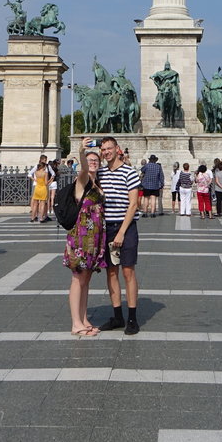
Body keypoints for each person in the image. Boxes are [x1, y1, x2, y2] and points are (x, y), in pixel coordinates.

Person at [93, 136, 141, 335]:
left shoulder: (130, 172)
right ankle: (117, 316)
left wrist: (121, 232)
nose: (106, 152)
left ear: (117, 149)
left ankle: (132, 318)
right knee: (111, 272)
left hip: (126, 228)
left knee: (127, 271)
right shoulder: (101, 173)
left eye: (109, 148)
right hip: (107, 228)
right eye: (103, 149)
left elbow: (133, 204)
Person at [65, 149, 107, 336]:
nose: (93, 162)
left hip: (94, 235)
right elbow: (83, 168)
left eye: (96, 160)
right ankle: (76, 323)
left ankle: (83, 318)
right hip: (81, 235)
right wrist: (82, 151)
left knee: (86, 279)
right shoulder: (82, 181)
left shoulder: (96, 182)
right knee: (78, 278)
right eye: (90, 160)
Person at [30, 156, 51, 223]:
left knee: (35, 204)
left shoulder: (36, 172)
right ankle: (41, 218)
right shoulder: (45, 173)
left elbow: (31, 176)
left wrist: (35, 180)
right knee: (42, 204)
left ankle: (32, 217)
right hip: (43, 188)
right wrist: (51, 180)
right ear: (43, 167)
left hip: (37, 188)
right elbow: (45, 183)